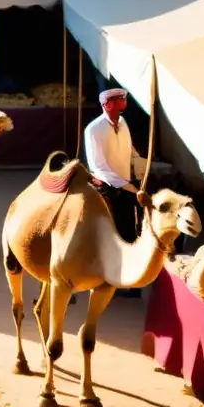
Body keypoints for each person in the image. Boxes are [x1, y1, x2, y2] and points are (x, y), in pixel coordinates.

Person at [84, 87, 143, 298]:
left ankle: (131, 278)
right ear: (106, 104)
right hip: (109, 184)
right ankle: (108, 278)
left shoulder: (123, 123)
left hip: (127, 183)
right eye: (119, 100)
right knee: (116, 230)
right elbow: (99, 167)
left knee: (133, 231)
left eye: (124, 99)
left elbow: (130, 151)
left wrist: (141, 167)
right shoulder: (94, 129)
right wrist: (130, 188)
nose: (123, 103)